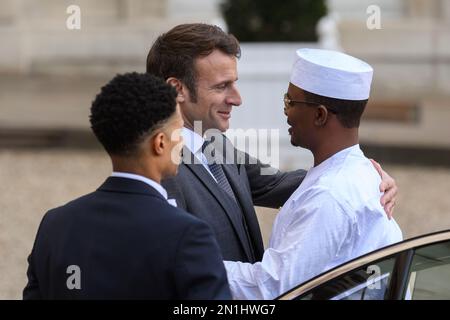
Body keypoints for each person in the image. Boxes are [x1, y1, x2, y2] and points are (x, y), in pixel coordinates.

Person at [146, 23, 398, 264]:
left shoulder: (214, 142)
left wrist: (360, 174)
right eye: (222, 86)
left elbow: (276, 184)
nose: (237, 99)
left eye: (234, 83)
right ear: (177, 89)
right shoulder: (154, 167)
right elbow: (168, 270)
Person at [23, 73, 231, 300]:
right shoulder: (188, 235)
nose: (182, 142)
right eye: (179, 131)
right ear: (160, 143)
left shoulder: (55, 225)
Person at [224, 48, 403, 299]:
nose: (286, 111)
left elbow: (273, 288)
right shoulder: (361, 174)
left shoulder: (330, 195)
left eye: (290, 102)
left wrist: (194, 267)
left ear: (320, 115)